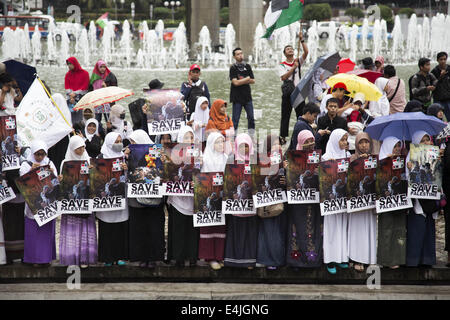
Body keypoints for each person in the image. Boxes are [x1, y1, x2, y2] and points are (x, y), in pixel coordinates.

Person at [126, 130, 165, 268]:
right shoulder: (129, 155)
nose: (131, 145)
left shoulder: (155, 152)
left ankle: (155, 256)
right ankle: (141, 257)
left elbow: (161, 169)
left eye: (134, 143)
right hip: (137, 198)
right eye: (130, 142)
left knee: (154, 228)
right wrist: (126, 159)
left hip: (155, 197)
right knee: (140, 228)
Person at [286, 130, 323, 268]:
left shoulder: (320, 158)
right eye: (306, 141)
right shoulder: (292, 158)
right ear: (300, 142)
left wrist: (323, 170)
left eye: (311, 141)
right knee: (297, 229)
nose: (309, 144)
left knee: (311, 228)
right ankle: (296, 261)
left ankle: (312, 260)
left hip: (312, 202)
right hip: (297, 203)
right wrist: (286, 170)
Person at [59, 136, 97, 267]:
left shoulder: (88, 160)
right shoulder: (65, 162)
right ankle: (71, 256)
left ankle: (84, 257)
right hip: (71, 203)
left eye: (83, 147)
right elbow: (62, 183)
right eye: (78, 147)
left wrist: (93, 172)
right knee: (72, 228)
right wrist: (60, 179)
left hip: (85, 201)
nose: (81, 149)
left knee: (85, 227)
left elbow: (94, 180)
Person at [224, 133, 258, 269]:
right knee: (236, 232)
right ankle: (233, 260)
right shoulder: (232, 160)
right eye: (242, 146)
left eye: (246, 146)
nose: (244, 149)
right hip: (236, 206)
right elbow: (227, 181)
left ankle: (249, 260)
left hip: (251, 205)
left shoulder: (255, 160)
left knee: (249, 233)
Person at [20, 140, 57, 267]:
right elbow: (22, 182)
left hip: (47, 205)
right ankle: (33, 258)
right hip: (33, 204)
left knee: (46, 232)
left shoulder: (49, 163)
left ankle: (45, 258)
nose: (40, 157)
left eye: (42, 154)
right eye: (37, 154)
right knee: (33, 231)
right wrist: (31, 171)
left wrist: (54, 175)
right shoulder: (26, 164)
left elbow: (55, 181)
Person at [166, 126, 199, 266]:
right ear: (180, 139)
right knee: (178, 228)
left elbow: (203, 175)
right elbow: (169, 175)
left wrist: (198, 179)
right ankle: (178, 257)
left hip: (192, 198)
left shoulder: (198, 154)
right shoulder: (173, 155)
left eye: (191, 137)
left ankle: (192, 257)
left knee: (192, 229)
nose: (189, 140)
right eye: (186, 138)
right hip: (178, 199)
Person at [405, 131, 438, 267]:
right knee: (417, 229)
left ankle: (427, 260)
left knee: (429, 228)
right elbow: (409, 179)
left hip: (430, 197)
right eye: (423, 141)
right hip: (418, 200)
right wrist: (412, 170)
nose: (426, 143)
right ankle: (414, 260)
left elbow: (436, 176)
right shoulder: (410, 158)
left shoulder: (433, 156)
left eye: (427, 140)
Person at [96, 132, 129, 266]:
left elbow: (128, 178)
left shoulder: (124, 158)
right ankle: (107, 257)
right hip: (106, 201)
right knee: (106, 229)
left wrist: (126, 169)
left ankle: (120, 256)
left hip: (120, 199)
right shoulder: (101, 157)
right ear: (109, 142)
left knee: (120, 229)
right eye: (116, 141)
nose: (119, 144)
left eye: (120, 141)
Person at [321, 129, 351, 274]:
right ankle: (330, 259)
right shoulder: (326, 157)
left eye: (346, 139)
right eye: (342, 139)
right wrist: (328, 165)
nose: (345, 142)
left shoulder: (348, 155)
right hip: (331, 200)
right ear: (334, 140)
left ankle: (341, 257)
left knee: (342, 226)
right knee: (332, 228)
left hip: (343, 197)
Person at [256, 134, 287, 269]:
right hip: (267, 202)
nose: (277, 147)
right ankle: (266, 259)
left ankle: (279, 259)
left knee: (279, 230)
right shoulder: (262, 160)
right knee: (267, 231)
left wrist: (286, 172)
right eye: (274, 144)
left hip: (280, 201)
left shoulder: (284, 160)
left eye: (279, 144)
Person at [348, 132, 378, 272]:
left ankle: (369, 258)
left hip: (369, 201)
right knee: (357, 230)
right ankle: (356, 258)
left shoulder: (375, 159)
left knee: (369, 230)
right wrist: (358, 163)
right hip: (357, 203)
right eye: (361, 142)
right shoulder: (351, 158)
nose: (364, 145)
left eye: (366, 142)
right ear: (357, 144)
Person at [199, 132, 228, 270]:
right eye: (217, 142)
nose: (221, 144)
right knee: (209, 226)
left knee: (220, 226)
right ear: (211, 144)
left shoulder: (226, 158)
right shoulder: (205, 159)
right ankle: (209, 256)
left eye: (222, 141)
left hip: (222, 197)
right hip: (208, 196)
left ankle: (219, 255)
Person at [377, 136, 407, 268]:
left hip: (400, 201)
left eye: (398, 146)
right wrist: (385, 163)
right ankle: (385, 259)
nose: (397, 149)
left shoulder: (403, 161)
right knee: (386, 229)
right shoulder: (381, 162)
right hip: (386, 202)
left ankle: (397, 258)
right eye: (394, 146)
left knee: (399, 229)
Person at [278, 30, 308, 144]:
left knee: (301, 114)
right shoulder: (282, 65)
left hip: (298, 91)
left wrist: (302, 40)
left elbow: (306, 52)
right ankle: (283, 136)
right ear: (285, 53)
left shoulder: (298, 61)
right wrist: (293, 68)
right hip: (287, 92)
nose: (290, 50)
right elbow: (284, 77)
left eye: (291, 48)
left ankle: (301, 133)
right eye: (288, 49)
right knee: (285, 114)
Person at [229, 48, 255, 131]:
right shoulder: (233, 68)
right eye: (238, 54)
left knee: (251, 118)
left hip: (247, 97)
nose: (240, 55)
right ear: (234, 56)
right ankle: (233, 138)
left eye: (241, 53)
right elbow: (235, 83)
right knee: (235, 120)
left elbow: (253, 80)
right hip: (237, 98)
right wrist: (246, 79)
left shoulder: (247, 66)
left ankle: (251, 137)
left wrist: (241, 80)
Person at [64, 57, 90, 124]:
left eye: (70, 63)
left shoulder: (85, 74)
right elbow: (67, 87)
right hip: (70, 99)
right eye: (68, 64)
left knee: (81, 119)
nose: (69, 65)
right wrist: (71, 96)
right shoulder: (68, 75)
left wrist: (75, 94)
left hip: (81, 99)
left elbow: (85, 87)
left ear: (75, 63)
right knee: (70, 119)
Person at [431, 52, 450, 120]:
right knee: (438, 120)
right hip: (438, 99)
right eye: (441, 59)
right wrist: (440, 77)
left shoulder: (449, 69)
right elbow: (433, 85)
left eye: (444, 59)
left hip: (448, 98)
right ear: (437, 60)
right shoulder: (434, 72)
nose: (443, 61)